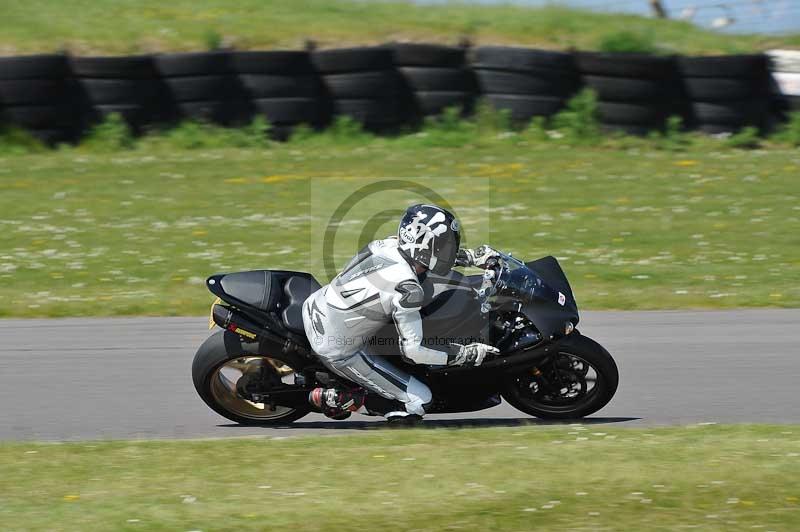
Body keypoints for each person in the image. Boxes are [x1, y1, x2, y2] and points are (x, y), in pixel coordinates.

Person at [302, 203, 499, 423]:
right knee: (419, 401)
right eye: (445, 245)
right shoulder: (408, 288)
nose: (449, 249)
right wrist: (463, 354)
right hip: (338, 348)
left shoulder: (388, 244)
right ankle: (344, 399)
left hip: (318, 305)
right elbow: (414, 351)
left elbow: (426, 255)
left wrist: (470, 258)